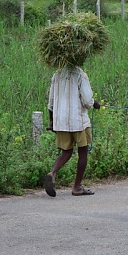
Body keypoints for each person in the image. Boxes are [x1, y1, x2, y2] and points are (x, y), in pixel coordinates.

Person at [44, 64, 100, 197]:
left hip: (61, 120)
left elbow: (51, 102)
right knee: (83, 152)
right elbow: (87, 100)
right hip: (78, 121)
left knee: (66, 152)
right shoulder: (80, 74)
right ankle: (77, 187)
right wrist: (95, 103)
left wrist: (52, 121)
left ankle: (52, 173)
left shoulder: (57, 74)